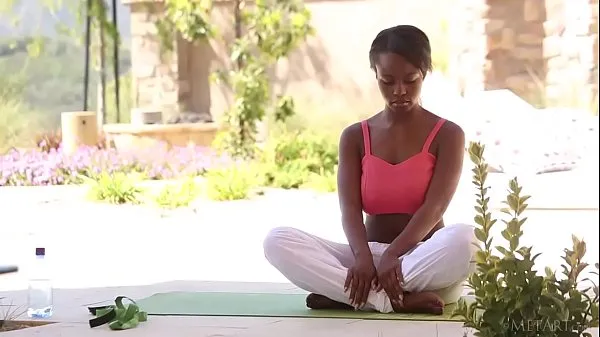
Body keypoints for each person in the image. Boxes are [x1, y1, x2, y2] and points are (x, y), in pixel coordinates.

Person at [263, 24, 477, 314]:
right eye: (387, 81)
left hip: (422, 262)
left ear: (424, 73)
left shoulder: (448, 134)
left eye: (410, 80)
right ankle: (386, 299)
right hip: (367, 259)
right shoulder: (354, 136)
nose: (399, 91)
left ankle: (349, 296)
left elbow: (435, 208)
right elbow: (349, 208)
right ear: (375, 75)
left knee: (467, 241)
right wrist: (363, 257)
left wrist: (394, 254)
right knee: (277, 241)